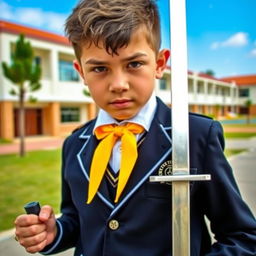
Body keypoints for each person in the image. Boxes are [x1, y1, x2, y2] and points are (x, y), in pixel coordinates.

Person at [14, 0, 256, 255]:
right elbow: (79, 219)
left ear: (160, 64)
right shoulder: (75, 144)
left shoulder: (194, 135)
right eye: (99, 68)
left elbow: (243, 236)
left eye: (134, 64)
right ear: (81, 72)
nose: (118, 84)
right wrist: (53, 233)